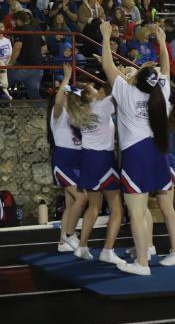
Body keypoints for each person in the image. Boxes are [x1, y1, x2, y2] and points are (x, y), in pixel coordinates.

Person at [98, 21, 175, 275]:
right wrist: (162, 43)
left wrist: (105, 37)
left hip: (136, 154)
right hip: (158, 151)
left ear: (138, 79)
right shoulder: (161, 92)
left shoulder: (127, 93)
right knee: (153, 209)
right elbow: (166, 69)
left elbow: (107, 65)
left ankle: (143, 263)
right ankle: (163, 252)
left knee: (136, 211)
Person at [72, 75, 124, 265]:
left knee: (93, 206)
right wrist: (119, 71)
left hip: (86, 158)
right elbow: (113, 85)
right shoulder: (102, 106)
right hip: (103, 159)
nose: (95, 89)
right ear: (88, 95)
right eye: (91, 87)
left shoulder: (77, 112)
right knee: (117, 209)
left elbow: (106, 90)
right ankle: (108, 250)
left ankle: (82, 246)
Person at [49, 63, 88, 255]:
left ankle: (62, 241)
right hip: (63, 161)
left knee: (72, 203)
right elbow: (57, 102)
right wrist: (65, 81)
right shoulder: (58, 114)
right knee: (82, 197)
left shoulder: (77, 117)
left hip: (78, 162)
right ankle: (69, 235)